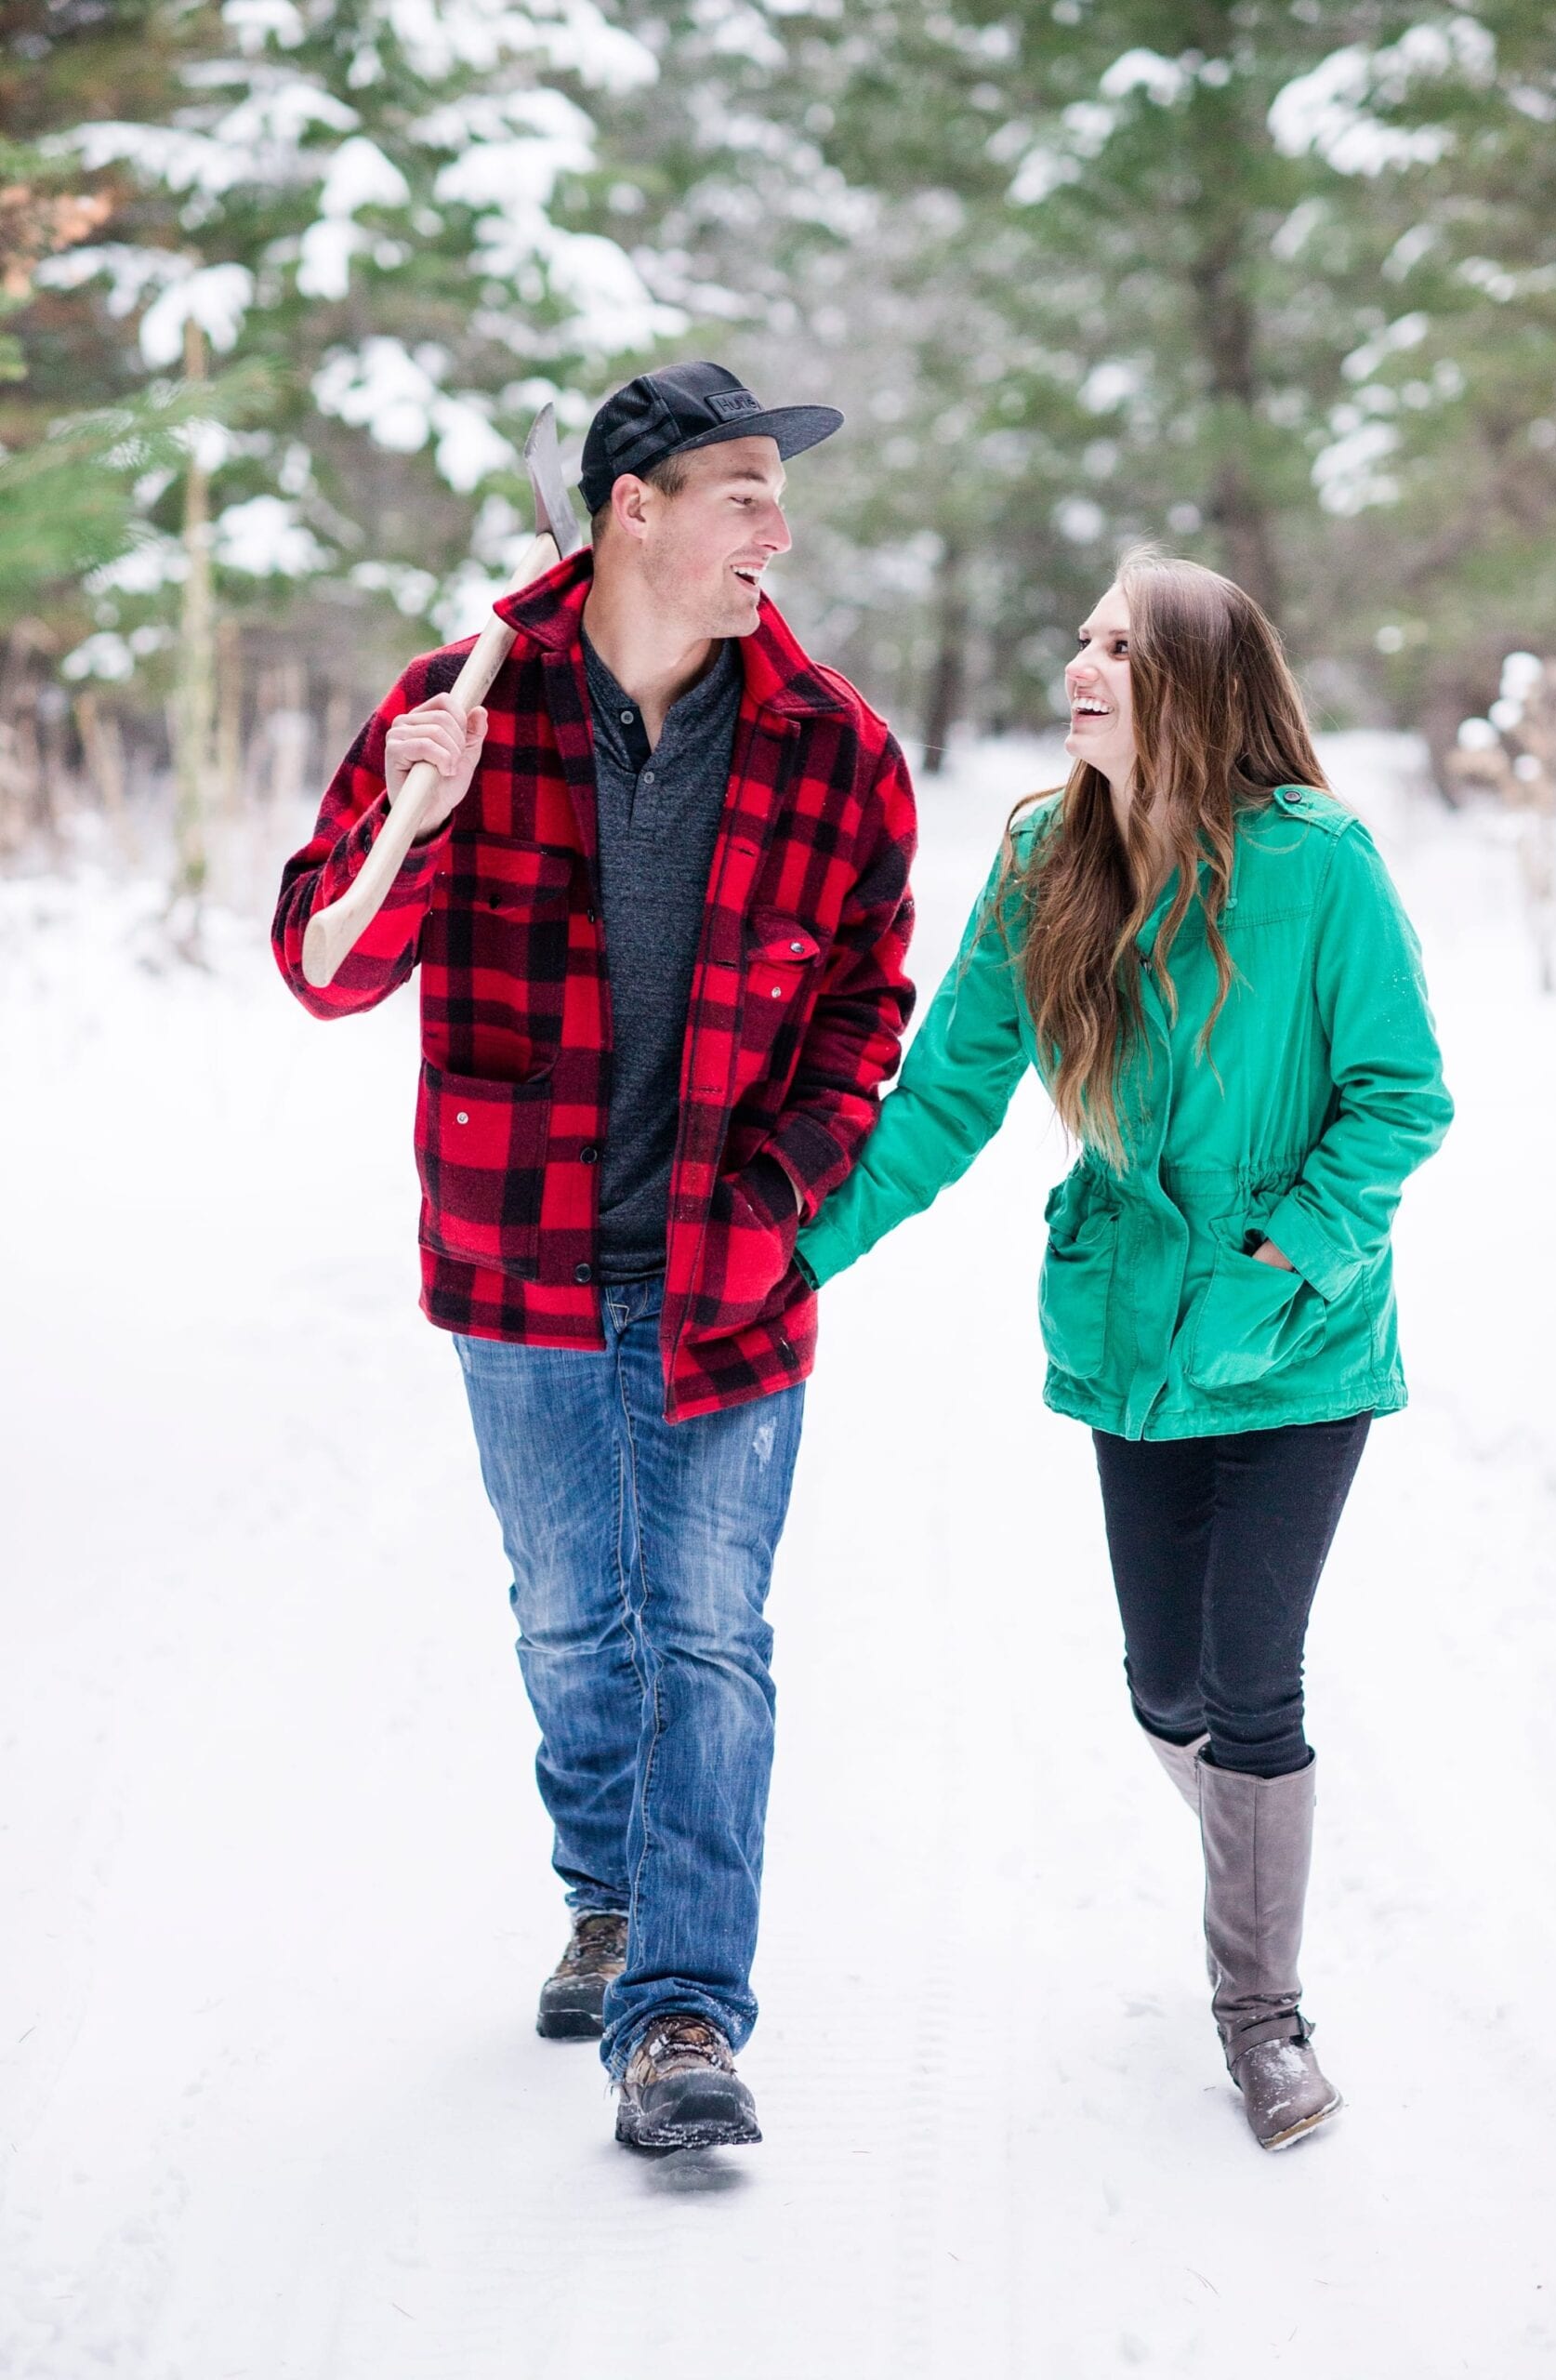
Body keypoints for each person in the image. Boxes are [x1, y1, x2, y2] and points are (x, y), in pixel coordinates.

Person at [273, 362, 916, 2152]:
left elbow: (870, 1000)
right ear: (632, 504)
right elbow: (324, 966)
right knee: (574, 1622)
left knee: (707, 1635)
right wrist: (420, 804)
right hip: (520, 1257)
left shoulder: (833, 748)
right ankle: (609, 1890)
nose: (774, 531)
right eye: (739, 492)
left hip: (729, 1268)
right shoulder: (455, 706)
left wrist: (791, 1182)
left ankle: (686, 2017)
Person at [794, 549, 1452, 2151]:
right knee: (1167, 1691)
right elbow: (947, 1093)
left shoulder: (1316, 862)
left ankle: (1259, 2014)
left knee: (1250, 1674)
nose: (1082, 666)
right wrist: (797, 1255)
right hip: (1130, 1331)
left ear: (1202, 688)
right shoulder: (1040, 860)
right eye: (1079, 638)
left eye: (1123, 649)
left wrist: (1278, 1257)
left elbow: (1400, 1095)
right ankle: (1252, 1839)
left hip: (1292, 1338)